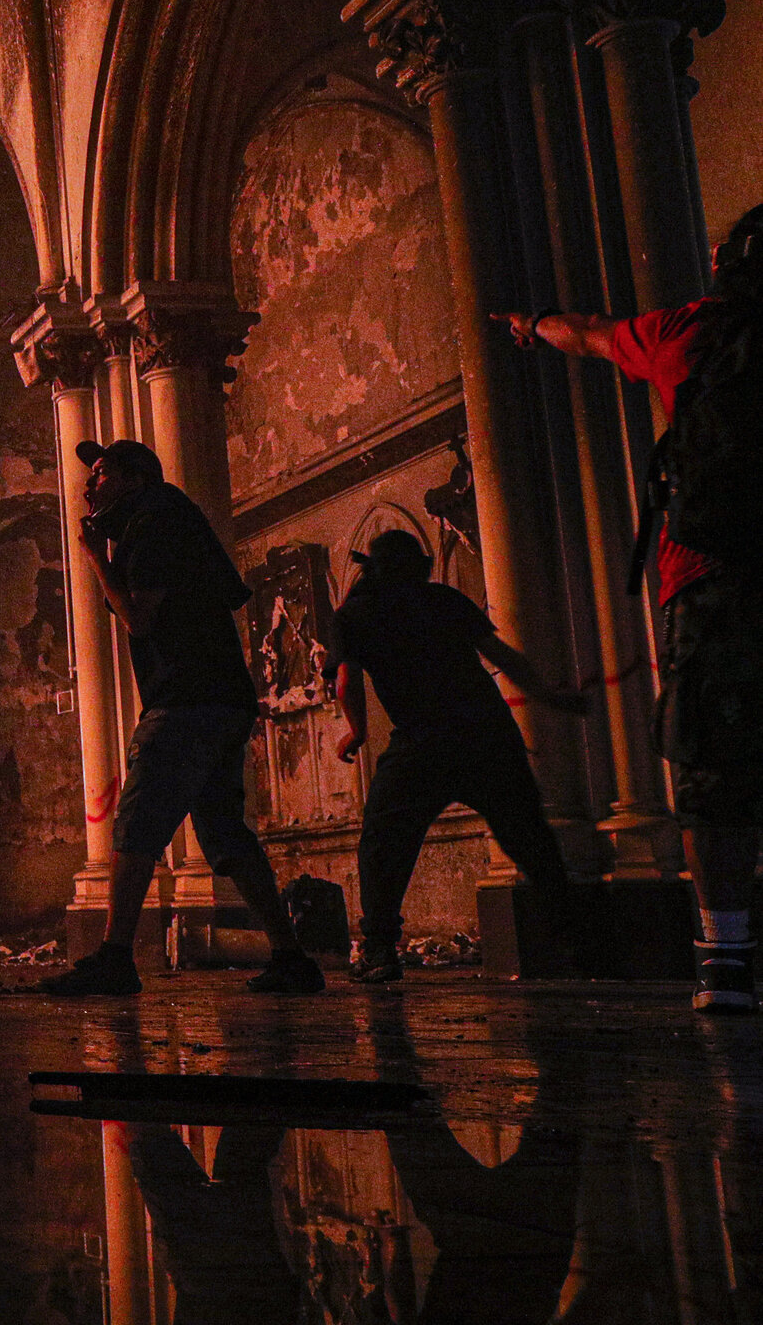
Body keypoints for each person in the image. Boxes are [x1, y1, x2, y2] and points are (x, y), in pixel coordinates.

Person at [501, 206, 763, 1010]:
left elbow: (588, 332)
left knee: (710, 767)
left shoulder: (691, 331)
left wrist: (533, 323)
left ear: (724, 262)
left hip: (709, 580)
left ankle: (724, 960)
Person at [42, 438, 321, 997]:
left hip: (187, 699)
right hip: (220, 698)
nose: (89, 484)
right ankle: (292, 956)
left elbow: (139, 619)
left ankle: (116, 957)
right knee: (223, 830)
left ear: (134, 478)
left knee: (137, 822)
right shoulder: (166, 518)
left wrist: (95, 558)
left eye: (100, 473)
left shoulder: (154, 521)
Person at [328, 529, 589, 982]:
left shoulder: (357, 613)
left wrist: (358, 732)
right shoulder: (444, 600)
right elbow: (502, 656)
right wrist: (547, 695)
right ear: (422, 568)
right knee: (528, 835)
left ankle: (379, 949)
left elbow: (347, 682)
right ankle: (575, 939)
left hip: (421, 743)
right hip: (485, 732)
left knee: (384, 842)